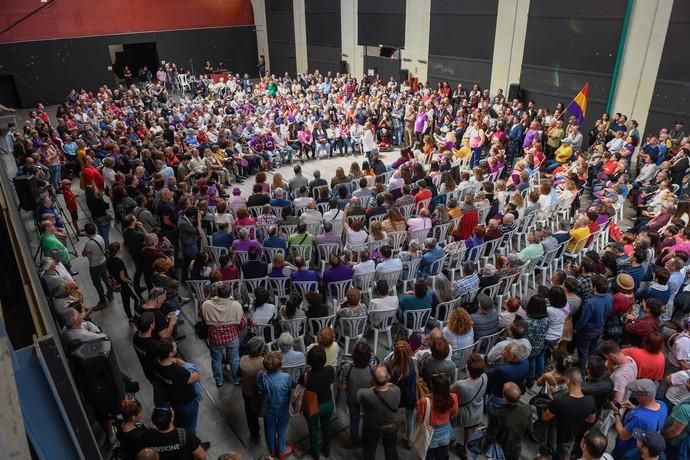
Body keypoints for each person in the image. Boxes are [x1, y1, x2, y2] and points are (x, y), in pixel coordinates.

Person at [541, 368, 597, 459]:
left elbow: (545, 417)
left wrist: (547, 403)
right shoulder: (590, 400)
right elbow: (591, 419)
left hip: (554, 434)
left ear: (568, 380)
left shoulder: (560, 401)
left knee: (547, 452)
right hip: (571, 435)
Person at [200, 282, 245, 387]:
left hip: (214, 338)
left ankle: (219, 381)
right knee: (234, 359)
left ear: (216, 292)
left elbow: (202, 317)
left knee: (216, 360)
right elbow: (242, 324)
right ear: (229, 293)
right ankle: (237, 380)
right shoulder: (236, 305)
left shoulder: (207, 305)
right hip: (232, 337)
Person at [154, 337, 202, 435]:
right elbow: (197, 377)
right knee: (190, 426)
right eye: (175, 346)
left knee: (179, 421)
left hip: (172, 400)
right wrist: (184, 363)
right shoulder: (178, 372)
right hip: (187, 403)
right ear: (170, 353)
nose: (176, 346)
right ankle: (192, 444)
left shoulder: (156, 364)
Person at [611, 379, 668, 458]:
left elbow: (623, 435)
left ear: (644, 396)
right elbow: (650, 414)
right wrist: (634, 408)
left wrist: (616, 413)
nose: (635, 396)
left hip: (626, 449)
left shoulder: (639, 418)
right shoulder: (662, 405)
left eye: (636, 394)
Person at [358, 365, 401, 460]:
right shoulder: (397, 390)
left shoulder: (364, 394)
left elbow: (359, 396)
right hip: (390, 427)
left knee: (369, 452)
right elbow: (391, 385)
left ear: (373, 379)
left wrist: (373, 386)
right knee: (391, 451)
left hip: (371, 428)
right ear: (388, 377)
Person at [300, 345, 336, 459]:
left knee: (313, 429)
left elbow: (300, 386)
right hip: (327, 404)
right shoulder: (330, 370)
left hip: (312, 406)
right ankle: (327, 449)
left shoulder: (306, 376)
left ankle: (315, 452)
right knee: (326, 426)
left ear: (309, 360)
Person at [481, 382, 532, 460]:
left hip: (500, 449)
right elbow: (529, 430)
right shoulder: (527, 409)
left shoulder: (498, 414)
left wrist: (485, 448)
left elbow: (490, 437)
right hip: (516, 449)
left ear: (504, 396)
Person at [258, 351, 294, 459]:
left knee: (270, 429)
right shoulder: (286, 376)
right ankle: (282, 451)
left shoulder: (262, 377)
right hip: (283, 408)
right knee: (282, 429)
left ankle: (272, 450)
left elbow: (260, 389)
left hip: (268, 409)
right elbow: (289, 389)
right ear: (280, 365)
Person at [450, 353, 487, 458]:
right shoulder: (485, 377)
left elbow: (449, 392)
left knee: (454, 427)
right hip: (478, 409)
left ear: (468, 368)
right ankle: (467, 451)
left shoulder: (461, 384)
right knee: (469, 432)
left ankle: (457, 445)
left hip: (465, 412)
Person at [340, 341, 375, 446]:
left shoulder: (347, 367)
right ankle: (367, 439)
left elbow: (342, 385)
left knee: (354, 419)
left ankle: (354, 440)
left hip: (352, 398)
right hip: (367, 399)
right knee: (367, 420)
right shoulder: (371, 368)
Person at [574, 275, 612, 373]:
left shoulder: (591, 303)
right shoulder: (609, 297)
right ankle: (591, 366)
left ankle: (583, 370)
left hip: (587, 331)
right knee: (593, 347)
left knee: (583, 350)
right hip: (599, 328)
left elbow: (583, 320)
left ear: (594, 287)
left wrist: (576, 328)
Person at [138, 407, 206, 459]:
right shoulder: (184, 434)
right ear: (172, 419)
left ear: (153, 423)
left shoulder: (146, 437)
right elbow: (201, 455)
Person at [417, 373, 458, 460]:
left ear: (433, 387)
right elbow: (454, 415)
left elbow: (419, 420)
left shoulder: (424, 402)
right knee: (441, 456)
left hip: (430, 437)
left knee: (429, 456)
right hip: (445, 435)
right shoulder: (453, 398)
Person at [385, 340, 418, 448]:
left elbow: (385, 366)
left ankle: (390, 435)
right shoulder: (413, 362)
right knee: (410, 417)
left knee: (392, 415)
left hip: (395, 396)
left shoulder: (390, 365)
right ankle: (409, 439)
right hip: (410, 395)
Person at [239, 336, 267, 441]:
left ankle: (254, 432)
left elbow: (239, 373)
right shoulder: (264, 362)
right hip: (261, 394)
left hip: (247, 392)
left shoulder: (243, 360)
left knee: (250, 414)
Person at [82, 222, 113, 307]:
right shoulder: (100, 237)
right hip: (103, 261)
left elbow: (84, 254)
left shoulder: (89, 243)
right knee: (105, 278)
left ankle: (102, 300)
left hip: (94, 265)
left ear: (86, 232)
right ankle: (110, 293)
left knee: (97, 283)